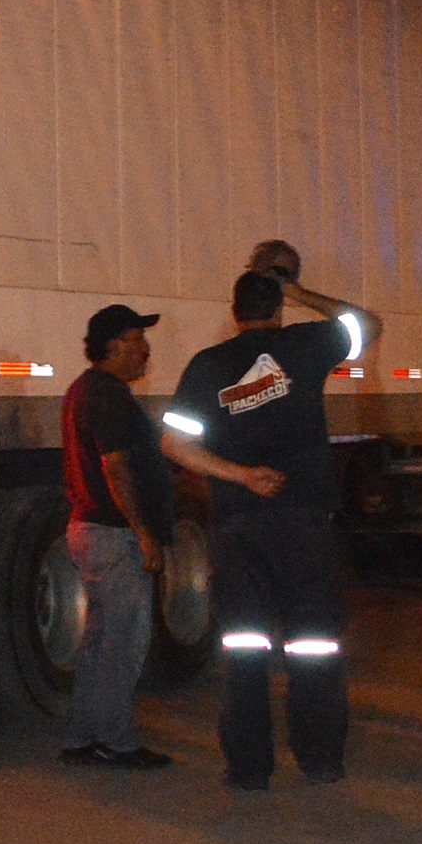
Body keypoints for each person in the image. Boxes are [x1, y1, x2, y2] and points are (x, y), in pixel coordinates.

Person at [161, 254, 375, 789]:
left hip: (239, 528)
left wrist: (240, 475)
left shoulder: (206, 366)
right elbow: (368, 325)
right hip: (304, 524)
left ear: (234, 314)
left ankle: (250, 768)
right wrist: (301, 294)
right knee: (314, 645)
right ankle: (321, 759)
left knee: (245, 650)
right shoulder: (306, 346)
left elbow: (175, 445)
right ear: (277, 309)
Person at [61, 303, 175, 769]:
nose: (145, 349)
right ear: (110, 345)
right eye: (136, 339)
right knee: (122, 642)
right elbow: (116, 465)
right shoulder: (107, 396)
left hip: (93, 531)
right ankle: (115, 739)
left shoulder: (85, 390)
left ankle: (84, 735)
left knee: (99, 640)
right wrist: (143, 532)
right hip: (113, 536)